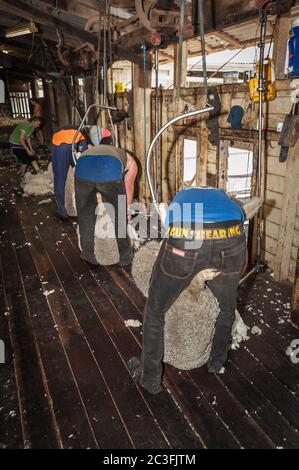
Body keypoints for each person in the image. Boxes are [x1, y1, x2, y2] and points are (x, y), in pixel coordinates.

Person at [128, 187, 262, 395]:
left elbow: (168, 228)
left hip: (185, 235)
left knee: (155, 310)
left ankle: (150, 379)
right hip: (231, 236)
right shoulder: (228, 203)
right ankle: (217, 362)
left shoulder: (182, 197)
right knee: (226, 309)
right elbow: (240, 265)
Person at [74, 128, 137, 266]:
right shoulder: (131, 161)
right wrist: (126, 210)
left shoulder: (94, 150)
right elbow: (128, 188)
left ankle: (88, 254)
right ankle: (125, 257)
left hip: (82, 169)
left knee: (85, 214)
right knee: (118, 217)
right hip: (109, 170)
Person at [51, 125, 88, 220]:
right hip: (76, 139)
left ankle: (62, 211)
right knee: (82, 173)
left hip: (60, 145)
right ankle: (84, 208)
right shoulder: (83, 135)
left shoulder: (58, 133)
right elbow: (83, 152)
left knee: (59, 177)